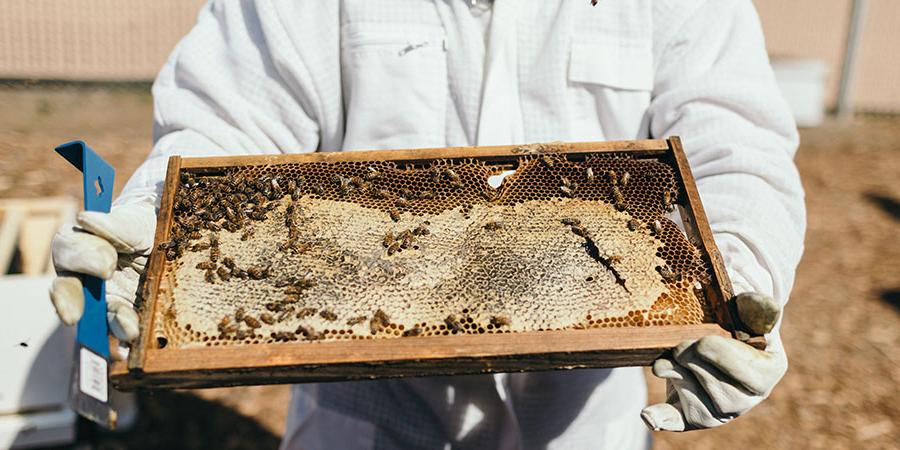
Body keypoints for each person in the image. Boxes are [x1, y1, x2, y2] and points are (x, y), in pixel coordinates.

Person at [48, 0, 806, 448]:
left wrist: (734, 284)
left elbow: (733, 142)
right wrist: (158, 235)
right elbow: (226, 121)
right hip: (363, 406)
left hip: (585, 412)